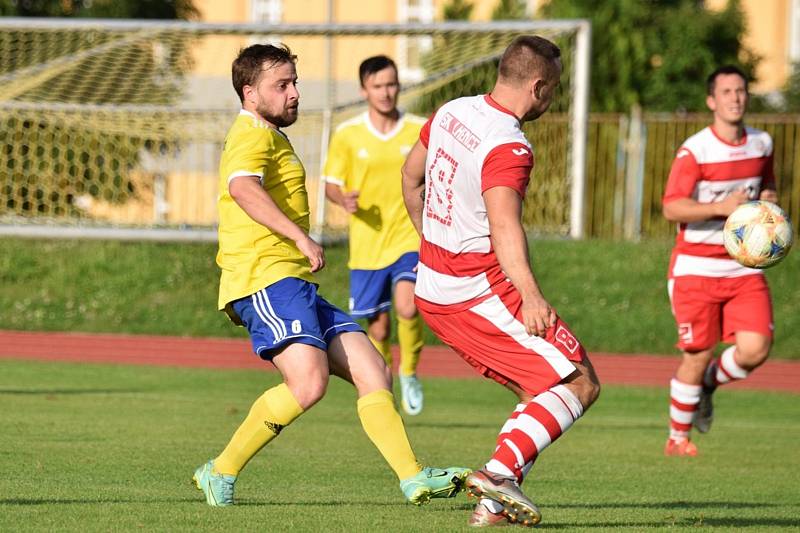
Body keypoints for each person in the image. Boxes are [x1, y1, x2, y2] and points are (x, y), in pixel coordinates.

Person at [192, 43, 470, 507]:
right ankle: (219, 471)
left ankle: (413, 477)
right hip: (264, 278)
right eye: (281, 85)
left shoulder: (271, 136)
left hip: (291, 281)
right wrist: (300, 239)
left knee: (373, 368)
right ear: (249, 91)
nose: (294, 93)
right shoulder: (251, 134)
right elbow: (242, 187)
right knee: (308, 382)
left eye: (294, 82)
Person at [401, 35, 601, 528]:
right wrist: (531, 296)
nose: (551, 99)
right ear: (537, 86)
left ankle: (490, 512)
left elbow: (410, 177)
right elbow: (504, 224)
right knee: (578, 381)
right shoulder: (509, 144)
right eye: (552, 89)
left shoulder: (451, 111)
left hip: (434, 286)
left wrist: (430, 242)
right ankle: (496, 474)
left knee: (540, 391)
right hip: (478, 290)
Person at [661, 65, 778, 457]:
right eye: (726, 91)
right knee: (696, 354)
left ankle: (709, 383)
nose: (735, 98)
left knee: (756, 349)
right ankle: (677, 439)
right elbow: (671, 208)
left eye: (741, 90)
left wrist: (770, 204)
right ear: (712, 101)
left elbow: (768, 186)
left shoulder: (762, 143)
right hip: (696, 267)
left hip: (743, 267)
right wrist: (719, 208)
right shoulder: (696, 150)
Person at [323, 55, 426, 416]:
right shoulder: (348, 134)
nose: (386, 92)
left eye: (392, 84)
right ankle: (383, 379)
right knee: (379, 331)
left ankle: (409, 372)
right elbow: (331, 184)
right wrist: (342, 198)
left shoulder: (419, 128)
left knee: (408, 305)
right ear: (364, 89)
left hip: (409, 236)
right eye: (379, 85)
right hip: (367, 245)